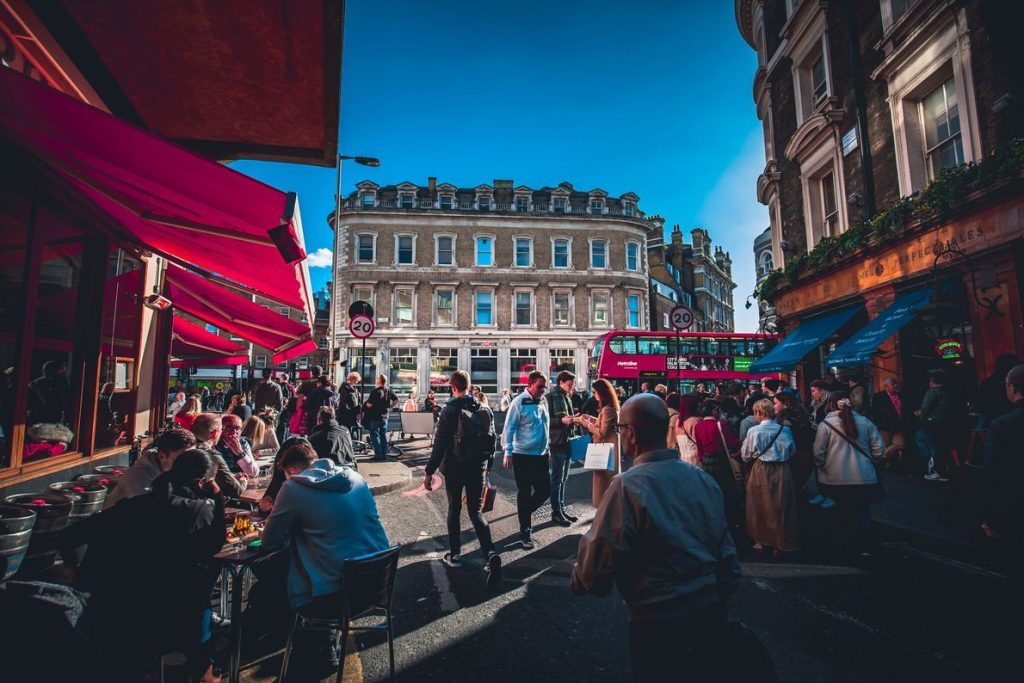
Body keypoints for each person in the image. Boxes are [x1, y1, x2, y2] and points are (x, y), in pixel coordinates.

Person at [571, 394, 742, 683]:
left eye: (622, 428)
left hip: (657, 619)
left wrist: (581, 581)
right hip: (710, 612)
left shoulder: (628, 485)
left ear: (632, 435)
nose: (621, 434)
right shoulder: (702, 480)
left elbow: (596, 560)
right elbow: (727, 555)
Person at [60, 449, 226, 682]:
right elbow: (213, 547)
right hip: (165, 619)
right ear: (203, 483)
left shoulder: (131, 506)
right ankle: (203, 672)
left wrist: (71, 568)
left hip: (109, 613)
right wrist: (218, 500)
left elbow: (69, 537)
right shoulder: (197, 512)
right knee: (198, 602)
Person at [260, 441, 390, 673]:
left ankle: (302, 642)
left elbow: (270, 541)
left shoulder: (293, 488)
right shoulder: (354, 477)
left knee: (278, 570)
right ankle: (320, 642)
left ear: (291, 471)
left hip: (336, 597)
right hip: (378, 585)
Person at [423, 370, 501, 584]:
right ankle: (491, 554)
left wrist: (429, 472)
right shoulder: (483, 408)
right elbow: (492, 440)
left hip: (455, 468)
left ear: (452, 387)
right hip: (477, 467)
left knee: (454, 508)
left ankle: (455, 554)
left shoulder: (449, 410)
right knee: (476, 512)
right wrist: (488, 468)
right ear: (469, 385)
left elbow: (439, 445)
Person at [813, 392, 884, 558]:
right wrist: (873, 461)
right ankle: (865, 547)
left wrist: (823, 465)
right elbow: (879, 450)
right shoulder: (866, 422)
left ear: (830, 405)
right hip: (864, 477)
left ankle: (843, 547)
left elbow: (818, 452)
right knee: (863, 513)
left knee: (840, 514)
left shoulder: (826, 425)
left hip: (835, 478)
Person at [982, 363, 1024, 587]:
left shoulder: (1002, 425)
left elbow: (994, 475)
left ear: (1012, 388)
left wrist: (992, 518)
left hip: (1016, 509)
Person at [741, 399, 799, 555]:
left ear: (759, 413)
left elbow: (746, 455)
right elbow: (792, 451)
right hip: (783, 469)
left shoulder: (754, 431)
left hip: (761, 468)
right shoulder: (785, 430)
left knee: (759, 504)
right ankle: (780, 540)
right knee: (782, 504)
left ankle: (761, 540)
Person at [501, 370, 550, 549]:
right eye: (539, 386)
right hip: (522, 455)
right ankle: (525, 532)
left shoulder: (542, 400)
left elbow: (546, 424)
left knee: (545, 490)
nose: (542, 390)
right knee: (525, 492)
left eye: (544, 387)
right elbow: (509, 427)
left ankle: (525, 511)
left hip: (541, 454)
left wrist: (548, 446)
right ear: (529, 385)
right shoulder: (519, 402)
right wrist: (507, 451)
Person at [105, 427, 198, 506]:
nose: (189, 463)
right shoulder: (141, 480)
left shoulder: (170, 470)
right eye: (183, 459)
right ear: (162, 456)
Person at [692, 400, 743, 526]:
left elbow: (699, 450)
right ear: (714, 410)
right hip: (721, 460)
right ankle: (729, 518)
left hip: (707, 461)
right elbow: (732, 443)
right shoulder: (721, 425)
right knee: (726, 489)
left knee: (710, 490)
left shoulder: (698, 426)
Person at [577, 378, 620, 508]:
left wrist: (587, 424)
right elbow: (604, 423)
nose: (594, 394)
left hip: (605, 448)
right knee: (605, 481)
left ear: (601, 393)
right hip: (609, 446)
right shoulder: (609, 408)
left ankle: (604, 511)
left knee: (604, 482)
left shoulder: (607, 409)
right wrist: (591, 418)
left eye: (595, 392)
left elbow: (602, 432)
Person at [547, 370, 579, 526]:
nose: (571, 388)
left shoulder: (566, 397)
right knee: (557, 480)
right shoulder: (550, 397)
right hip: (557, 442)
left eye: (572, 385)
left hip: (567, 440)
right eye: (569, 385)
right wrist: (562, 421)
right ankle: (556, 512)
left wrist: (575, 419)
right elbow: (546, 421)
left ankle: (561, 508)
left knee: (563, 479)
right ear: (561, 382)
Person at [191, 413, 245, 499]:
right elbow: (235, 490)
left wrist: (231, 476)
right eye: (221, 429)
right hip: (205, 505)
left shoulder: (185, 447)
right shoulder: (212, 455)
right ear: (214, 433)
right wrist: (243, 481)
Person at [915, 370, 952, 480]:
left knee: (933, 446)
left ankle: (938, 471)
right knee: (920, 437)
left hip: (931, 422)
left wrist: (920, 415)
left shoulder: (932, 391)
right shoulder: (946, 391)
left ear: (931, 382)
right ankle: (936, 465)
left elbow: (925, 408)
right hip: (943, 421)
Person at [870, 376, 908, 466]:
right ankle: (887, 463)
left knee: (900, 444)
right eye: (893, 384)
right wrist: (878, 424)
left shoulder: (901, 395)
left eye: (896, 383)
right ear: (886, 386)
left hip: (899, 426)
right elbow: (874, 412)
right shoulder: (878, 396)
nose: (895, 385)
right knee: (885, 445)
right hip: (885, 427)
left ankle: (881, 457)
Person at [976, 354, 1019, 428]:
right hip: (1010, 424)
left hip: (992, 423)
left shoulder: (987, 383)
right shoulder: (1011, 384)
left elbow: (980, 407)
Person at [363, 374, 398, 461]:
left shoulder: (375, 391)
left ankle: (378, 455)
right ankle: (384, 454)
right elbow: (396, 399)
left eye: (377, 378)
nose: (376, 379)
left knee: (375, 436)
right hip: (384, 416)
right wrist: (390, 406)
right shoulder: (388, 391)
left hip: (375, 416)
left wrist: (365, 404)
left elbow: (369, 404)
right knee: (383, 436)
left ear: (379, 381)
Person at [28, 359, 70, 424]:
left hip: (42, 413)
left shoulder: (40, 381)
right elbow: (64, 401)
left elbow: (31, 386)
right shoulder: (60, 381)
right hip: (53, 413)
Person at [216, 413, 258, 478]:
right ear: (221, 429)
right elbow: (216, 474)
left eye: (237, 428)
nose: (234, 432)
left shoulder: (243, 443)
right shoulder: (215, 443)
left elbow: (254, 472)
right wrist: (235, 476)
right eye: (229, 427)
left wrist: (240, 453)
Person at [676, 393, 702, 464]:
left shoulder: (678, 421)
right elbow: (700, 442)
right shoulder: (695, 421)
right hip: (696, 460)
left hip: (683, 459)